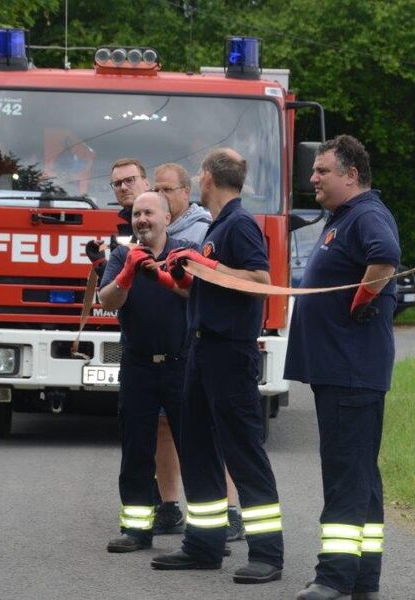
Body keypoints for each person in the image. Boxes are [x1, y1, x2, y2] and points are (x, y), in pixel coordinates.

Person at [150, 148, 283, 584]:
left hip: (230, 354)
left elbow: (260, 282)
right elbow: (213, 288)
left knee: (243, 452)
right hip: (202, 351)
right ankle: (203, 545)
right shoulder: (219, 226)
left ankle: (267, 554)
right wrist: (182, 275)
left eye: (198, 174)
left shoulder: (240, 224)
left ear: (207, 178)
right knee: (199, 451)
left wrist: (210, 264)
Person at [285, 135, 400, 600]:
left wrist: (362, 299)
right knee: (361, 478)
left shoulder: (367, 214)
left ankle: (333, 578)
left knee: (345, 476)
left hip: (351, 372)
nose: (312, 177)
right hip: (341, 373)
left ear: (351, 175)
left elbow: (385, 257)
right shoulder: (344, 217)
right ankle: (363, 578)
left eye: (322, 171)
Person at [85, 159, 186, 536]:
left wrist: (166, 273)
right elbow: (108, 301)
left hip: (181, 365)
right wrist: (126, 274)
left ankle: (206, 537)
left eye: (149, 213)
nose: (142, 219)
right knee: (136, 452)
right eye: (137, 214)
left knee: (194, 449)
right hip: (138, 366)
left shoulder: (186, 249)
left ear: (166, 217)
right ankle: (136, 530)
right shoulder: (120, 256)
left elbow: (197, 293)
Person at [154, 162, 246, 542]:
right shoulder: (168, 227)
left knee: (219, 434)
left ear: (191, 189)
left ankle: (235, 517)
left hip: (209, 345)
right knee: (184, 434)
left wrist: (189, 268)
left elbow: (256, 281)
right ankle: (200, 534)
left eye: (167, 190)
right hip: (183, 344)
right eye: (155, 190)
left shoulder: (215, 228)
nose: (160, 197)